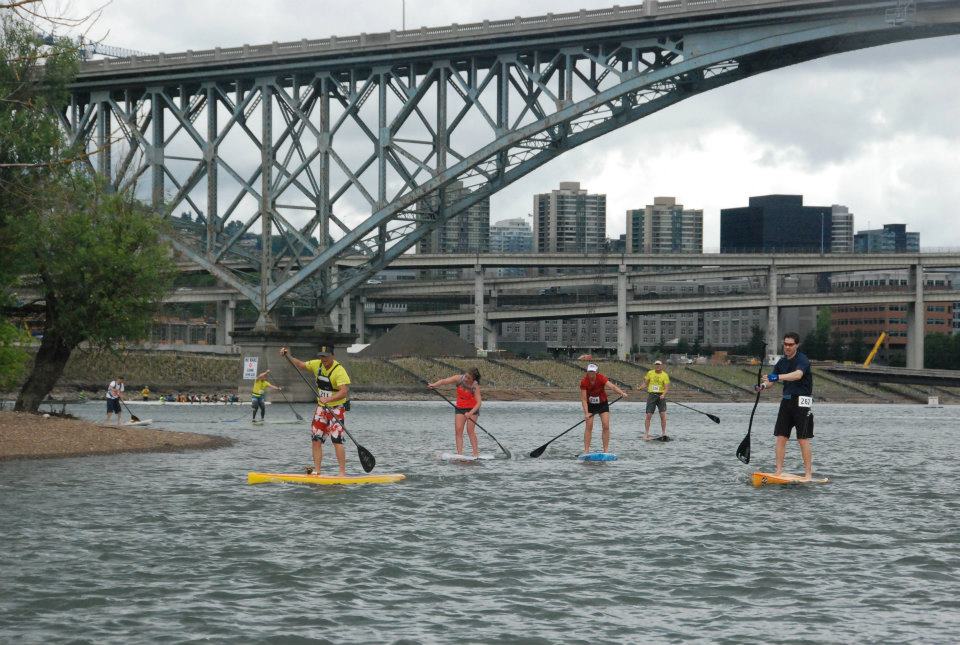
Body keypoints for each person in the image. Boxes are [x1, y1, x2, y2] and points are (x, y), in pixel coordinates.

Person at [281, 345, 351, 476]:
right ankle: (317, 471)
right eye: (321, 356)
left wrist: (329, 399)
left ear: (332, 356)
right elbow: (300, 365)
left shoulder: (339, 370)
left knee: (337, 440)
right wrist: (288, 355)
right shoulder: (316, 364)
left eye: (326, 356)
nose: (323, 359)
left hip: (336, 409)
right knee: (316, 439)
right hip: (321, 409)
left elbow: (344, 392)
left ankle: (342, 473)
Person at [756, 332, 814, 480]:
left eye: (790, 344)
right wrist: (762, 385)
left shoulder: (803, 359)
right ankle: (778, 471)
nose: (787, 347)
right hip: (787, 402)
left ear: (797, 345)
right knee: (781, 438)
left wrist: (777, 377)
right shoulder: (781, 362)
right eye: (785, 344)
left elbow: (797, 375)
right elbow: (771, 380)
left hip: (802, 402)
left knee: (803, 438)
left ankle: (808, 474)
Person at [428, 368, 482, 457]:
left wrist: (470, 413)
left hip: (472, 408)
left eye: (468, 378)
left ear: (473, 379)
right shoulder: (458, 378)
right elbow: (444, 381)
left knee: (470, 430)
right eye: (466, 376)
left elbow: (479, 402)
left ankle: (476, 454)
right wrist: (434, 385)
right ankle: (460, 454)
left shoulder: (475, 386)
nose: (466, 379)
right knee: (458, 430)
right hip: (460, 407)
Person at [579, 363, 627, 454]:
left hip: (602, 404)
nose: (591, 373)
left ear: (596, 372)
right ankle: (586, 450)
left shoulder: (601, 378)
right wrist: (586, 413)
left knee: (606, 426)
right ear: (587, 372)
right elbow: (584, 399)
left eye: (593, 371)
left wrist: (621, 393)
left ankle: (605, 450)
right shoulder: (584, 381)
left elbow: (612, 386)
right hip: (590, 405)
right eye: (589, 371)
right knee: (589, 426)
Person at [641, 360, 671, 440]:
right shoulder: (650, 373)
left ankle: (664, 433)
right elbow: (646, 383)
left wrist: (663, 394)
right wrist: (640, 387)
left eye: (659, 365)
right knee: (648, 415)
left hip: (661, 395)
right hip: (652, 395)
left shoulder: (665, 375)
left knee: (663, 415)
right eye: (656, 365)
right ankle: (646, 434)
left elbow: (666, 387)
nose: (657, 366)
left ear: (661, 366)